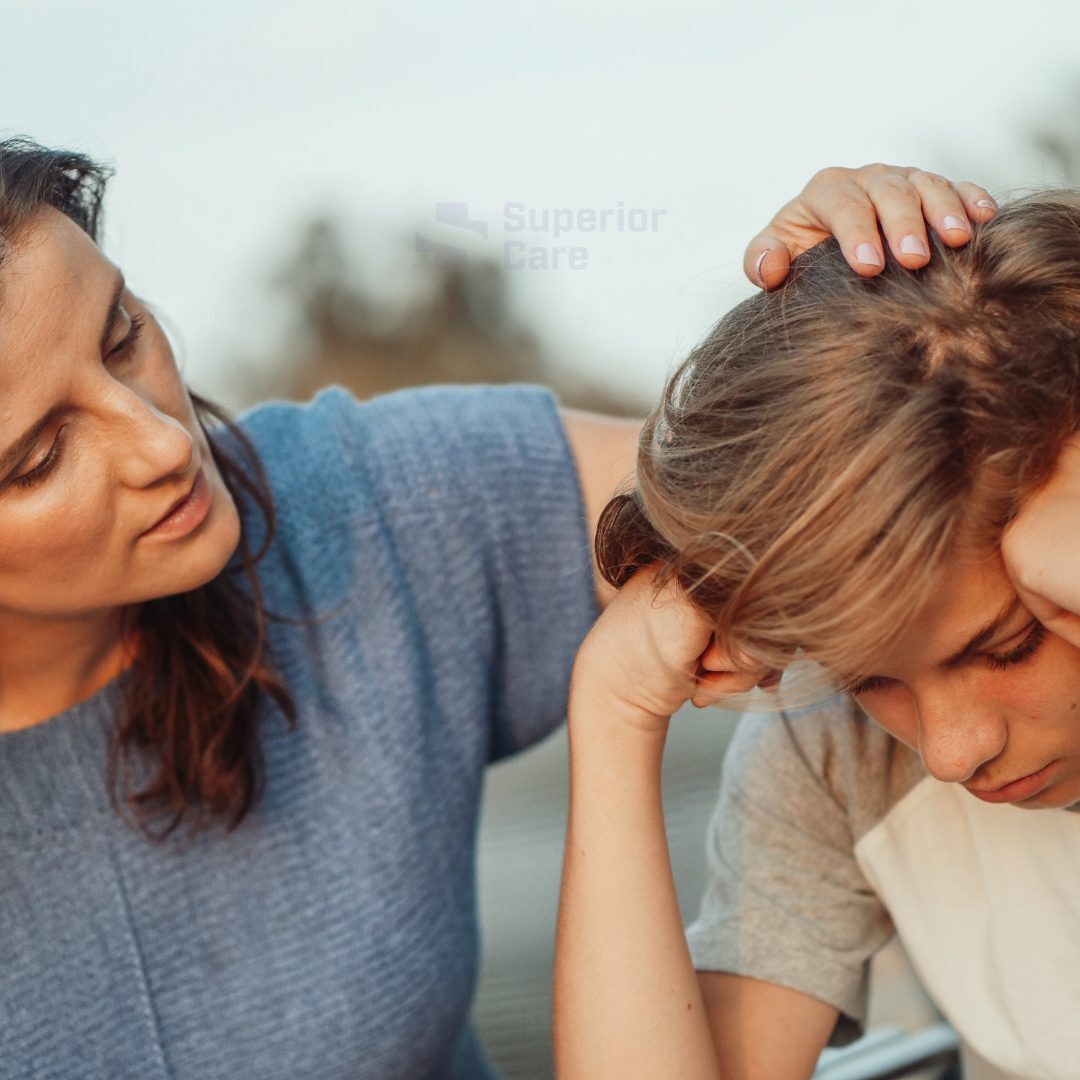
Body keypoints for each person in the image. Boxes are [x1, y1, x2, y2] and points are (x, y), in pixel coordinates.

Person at [0, 138, 988, 1079]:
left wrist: (875, 320)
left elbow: (832, 484)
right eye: (38, 459)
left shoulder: (362, 506)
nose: (162, 445)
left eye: (123, 337)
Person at [553, 187, 1080, 1079]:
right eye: (868, 678)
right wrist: (612, 712)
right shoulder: (836, 759)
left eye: (1005, 647)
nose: (950, 752)